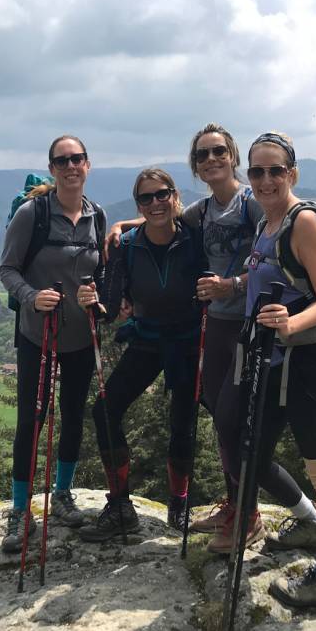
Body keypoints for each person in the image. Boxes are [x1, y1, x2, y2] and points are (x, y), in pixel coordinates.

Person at [106, 123, 316, 548]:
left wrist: (233, 286)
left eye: (218, 151)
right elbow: (159, 216)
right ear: (196, 167)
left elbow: (275, 253)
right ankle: (236, 505)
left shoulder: (254, 203)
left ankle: (253, 513)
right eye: (202, 155)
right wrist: (122, 227)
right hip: (218, 324)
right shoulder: (200, 212)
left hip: (253, 322)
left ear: (233, 156)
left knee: (242, 422)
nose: (211, 159)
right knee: (224, 420)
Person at [214, 131, 316, 609]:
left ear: (292, 173)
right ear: (247, 177)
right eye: (257, 171)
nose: (267, 178)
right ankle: (307, 520)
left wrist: (291, 322)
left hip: (308, 362)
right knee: (245, 452)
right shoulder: (266, 225)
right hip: (266, 362)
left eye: (276, 170)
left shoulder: (303, 223)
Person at [76, 167, 206, 542]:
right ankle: (120, 505)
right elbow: (112, 305)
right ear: (139, 204)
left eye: (161, 194)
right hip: (147, 340)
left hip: (187, 342)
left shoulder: (195, 239)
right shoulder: (127, 246)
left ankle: (178, 504)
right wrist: (93, 303)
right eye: (146, 198)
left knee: (182, 423)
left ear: (174, 196)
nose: (155, 203)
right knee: (105, 409)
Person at [0, 135, 105, 554]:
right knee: (32, 420)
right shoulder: (33, 213)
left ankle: (61, 494)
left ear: (88, 165)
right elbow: (7, 268)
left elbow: (103, 274)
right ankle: (20, 509)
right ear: (52, 167)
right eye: (62, 160)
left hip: (80, 336)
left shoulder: (96, 215)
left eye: (77, 159)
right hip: (36, 335)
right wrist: (31, 297)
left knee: (74, 415)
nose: (70, 166)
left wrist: (95, 296)